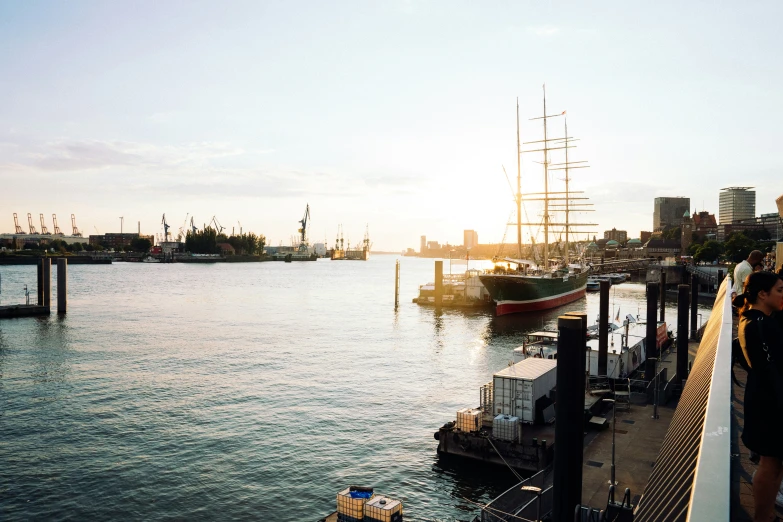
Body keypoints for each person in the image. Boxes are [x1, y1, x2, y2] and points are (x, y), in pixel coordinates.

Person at [735, 271, 783, 521]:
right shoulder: (763, 325)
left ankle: (766, 516)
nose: (782, 295)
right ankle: (764, 517)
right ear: (763, 294)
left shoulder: (751, 319)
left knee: (772, 462)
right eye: (779, 290)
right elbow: (773, 367)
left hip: (762, 397)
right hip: (770, 402)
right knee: (771, 463)